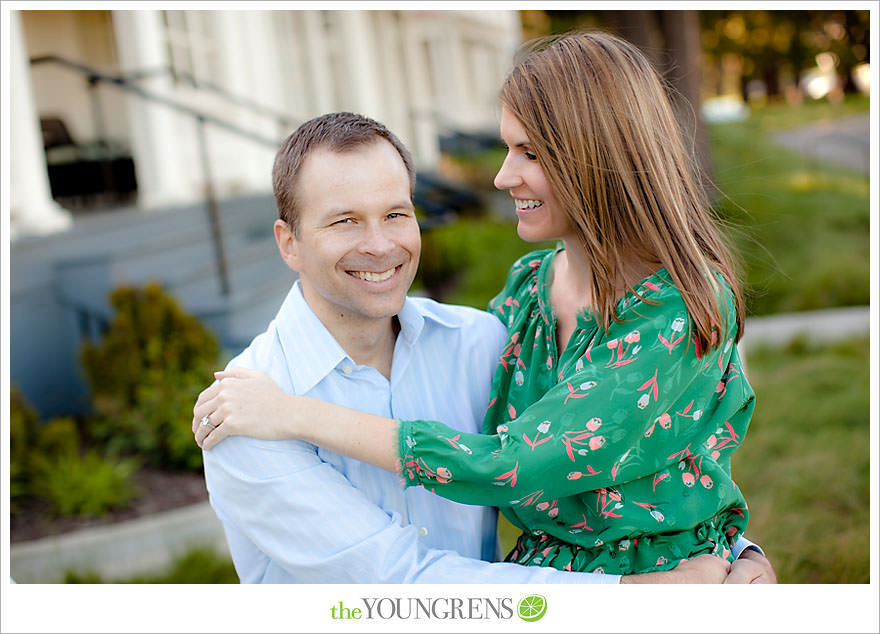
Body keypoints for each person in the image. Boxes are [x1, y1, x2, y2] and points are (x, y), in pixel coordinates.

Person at [194, 34, 775, 582]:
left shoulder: (479, 341)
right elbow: (399, 586)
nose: (501, 176)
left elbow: (545, 460)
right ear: (287, 242)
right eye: (344, 220)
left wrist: (735, 555)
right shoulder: (247, 411)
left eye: (397, 213)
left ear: (599, 156)